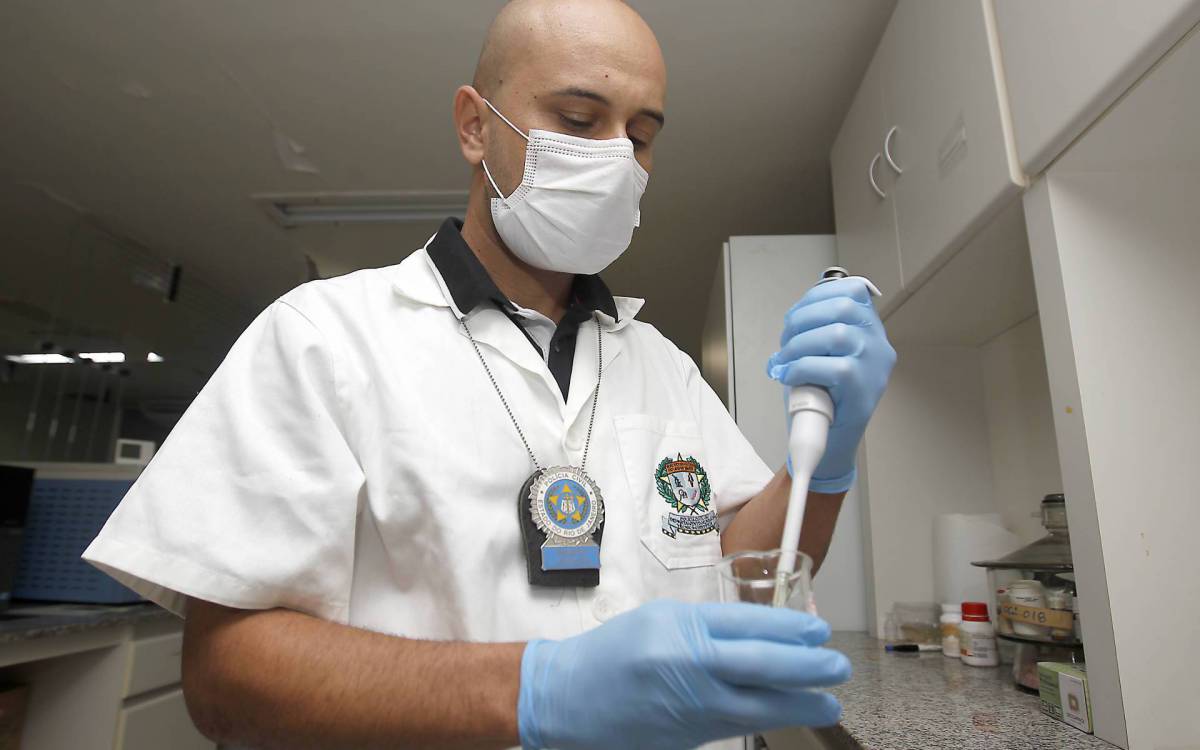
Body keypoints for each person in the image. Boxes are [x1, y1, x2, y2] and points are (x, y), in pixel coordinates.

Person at [83, 1, 896, 748]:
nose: (614, 157)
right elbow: (224, 678)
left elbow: (740, 564)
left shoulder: (660, 362)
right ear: (475, 126)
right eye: (578, 118)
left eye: (640, 135)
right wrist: (537, 689)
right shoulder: (322, 340)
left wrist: (821, 463)